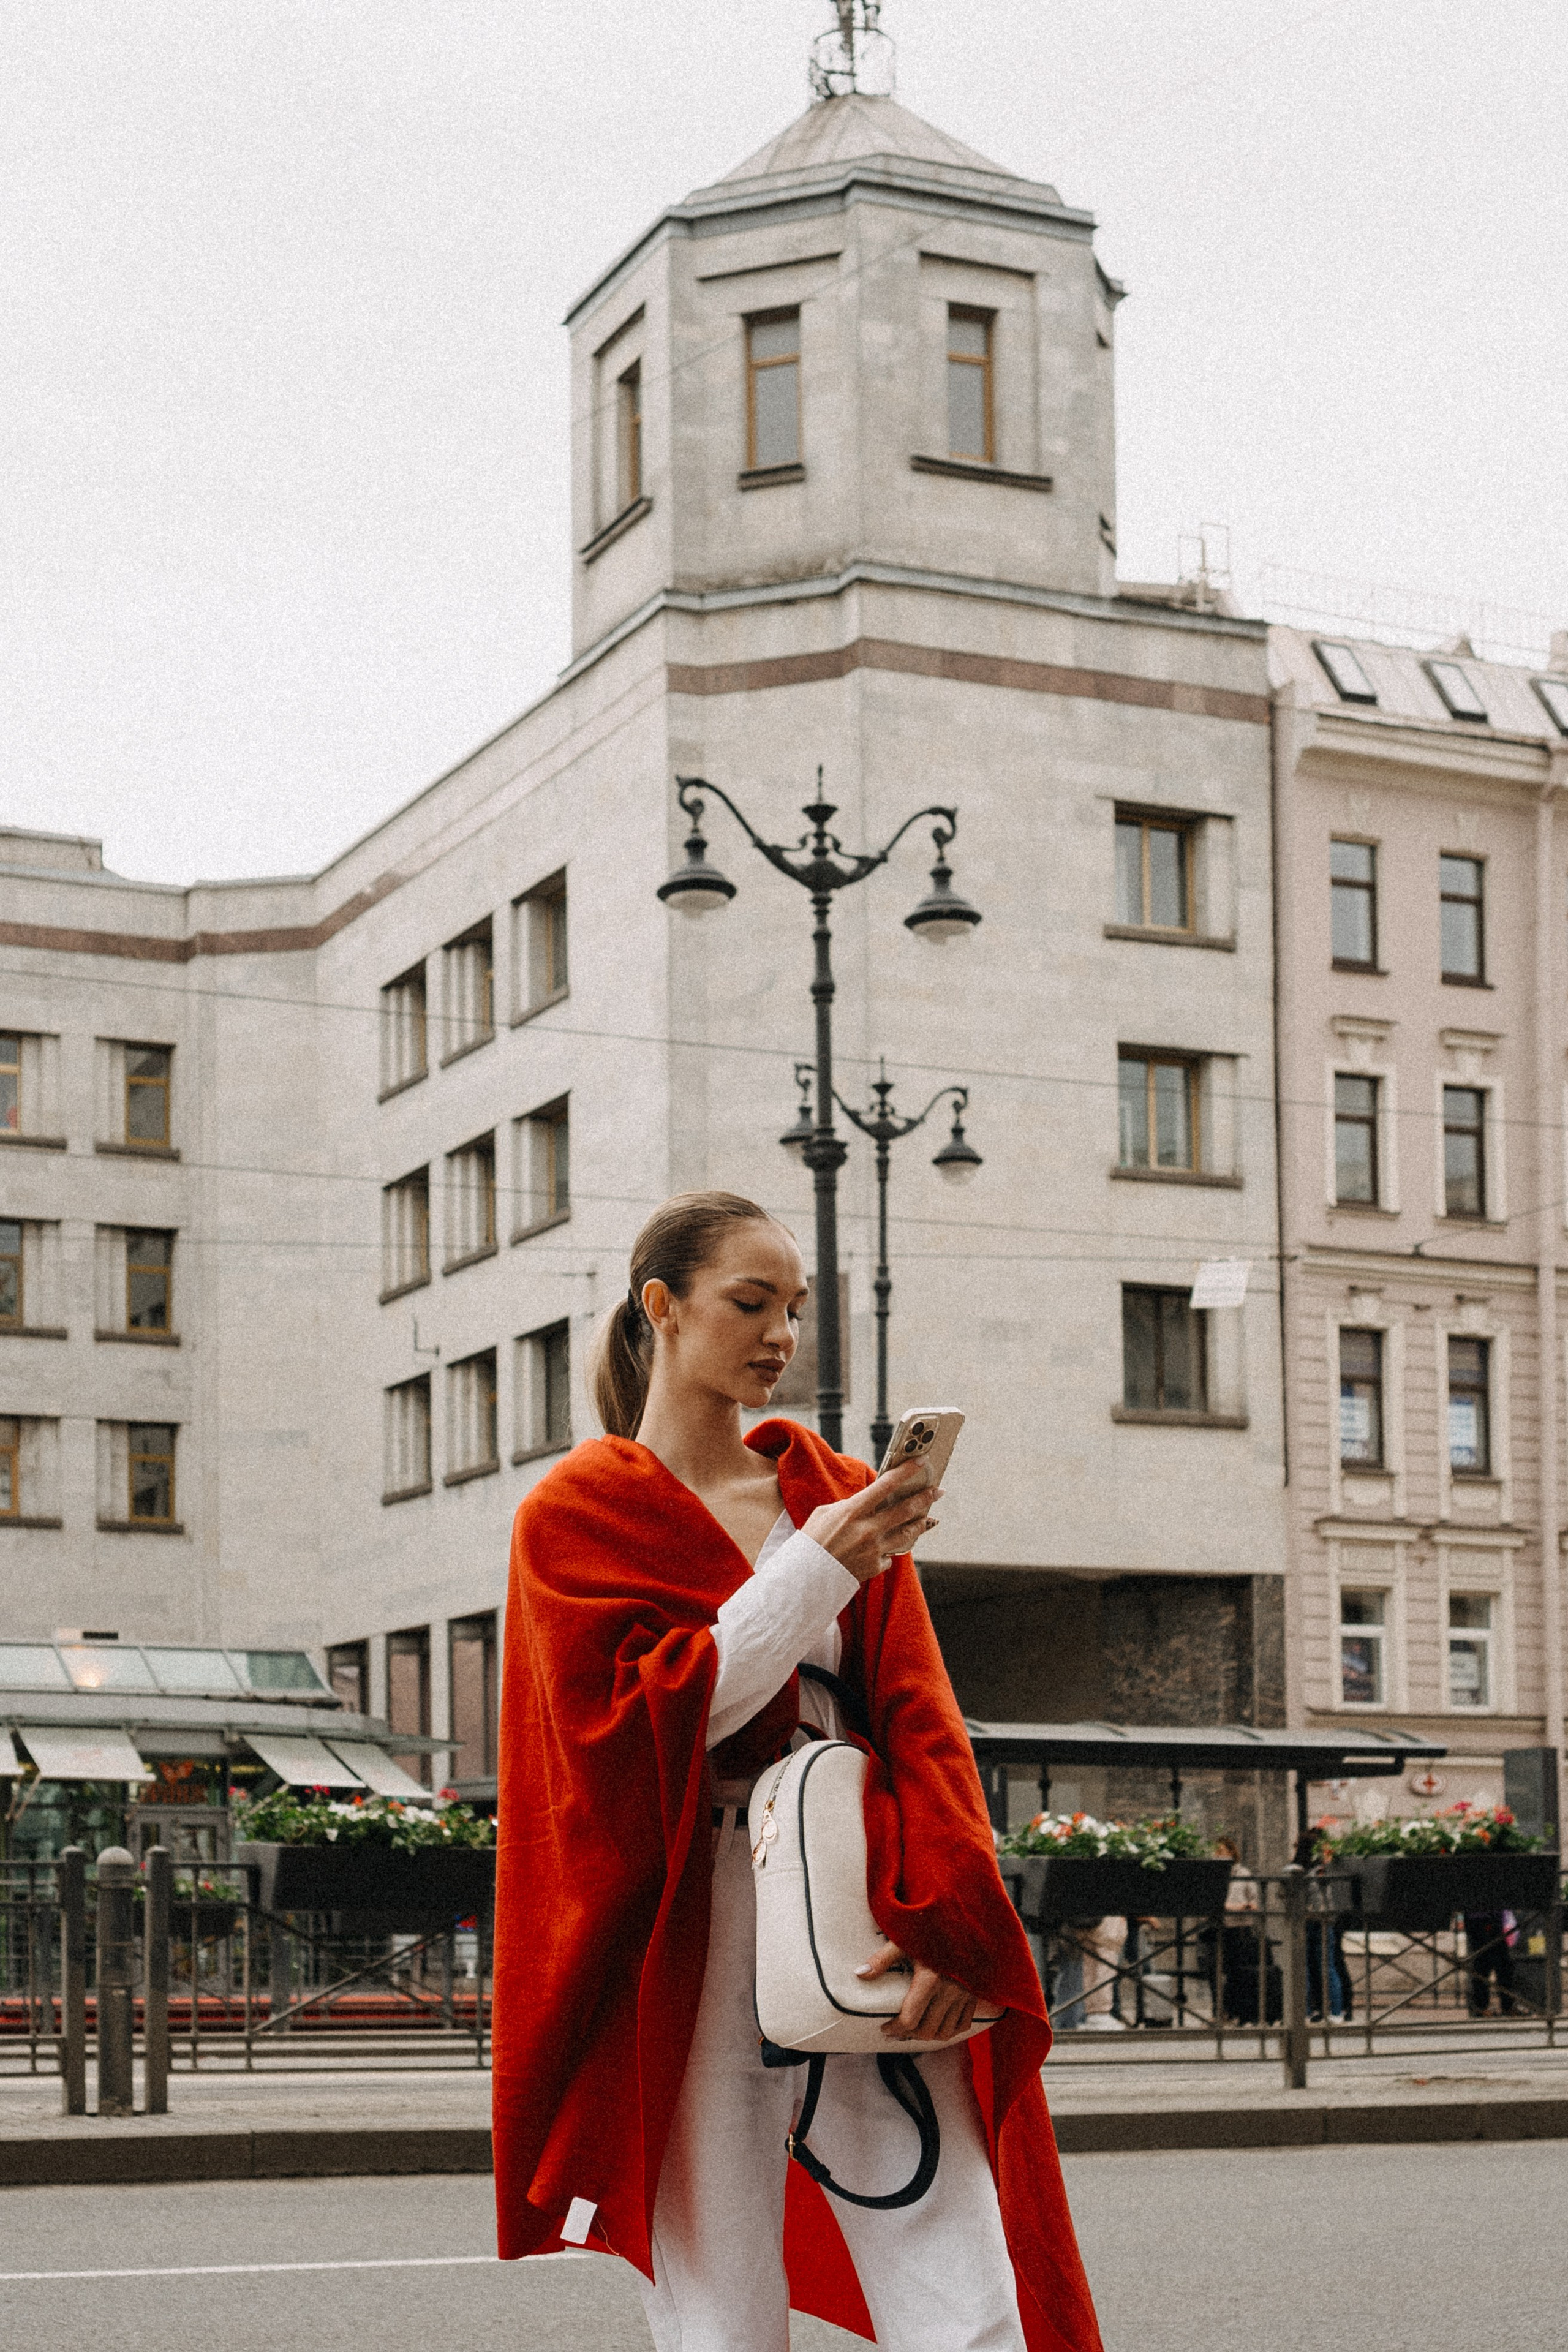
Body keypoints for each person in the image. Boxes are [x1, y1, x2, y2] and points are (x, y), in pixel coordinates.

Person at [492, 1191, 1102, 2352]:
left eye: (796, 1308)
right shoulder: (574, 1515)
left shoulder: (827, 1486)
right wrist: (815, 1570)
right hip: (685, 1929)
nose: (782, 1333)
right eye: (751, 1302)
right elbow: (631, 1736)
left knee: (970, 2292)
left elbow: (924, 1723)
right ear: (661, 1309)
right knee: (721, 2315)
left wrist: (955, 1917)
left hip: (863, 1900)